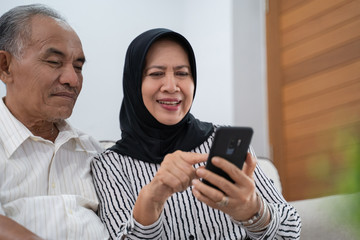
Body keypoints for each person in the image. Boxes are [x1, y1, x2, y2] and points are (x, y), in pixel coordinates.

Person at [91, 28, 301, 239]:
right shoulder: (109, 165)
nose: (172, 87)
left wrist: (254, 212)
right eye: (156, 73)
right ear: (134, 83)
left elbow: (291, 232)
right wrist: (151, 199)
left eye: (182, 73)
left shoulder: (223, 140)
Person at [0, 4, 109, 239]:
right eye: (53, 62)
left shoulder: (93, 152)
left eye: (78, 67)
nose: (72, 79)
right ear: (5, 66)